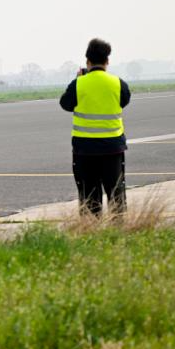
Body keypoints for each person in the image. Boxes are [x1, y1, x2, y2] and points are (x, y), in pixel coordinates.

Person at [59, 38, 131, 216]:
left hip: (85, 150)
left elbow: (66, 104)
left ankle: (91, 231)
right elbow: (125, 101)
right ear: (107, 61)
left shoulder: (79, 83)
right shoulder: (117, 83)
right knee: (116, 194)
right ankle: (118, 231)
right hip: (112, 149)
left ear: (87, 62)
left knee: (89, 195)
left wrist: (79, 81)